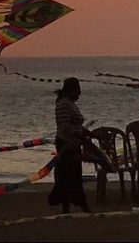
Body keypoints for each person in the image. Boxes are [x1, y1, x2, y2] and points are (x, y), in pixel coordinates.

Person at [47, 77, 93, 214]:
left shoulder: (70, 104)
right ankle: (76, 206)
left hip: (74, 143)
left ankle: (71, 206)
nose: (79, 93)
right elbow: (65, 127)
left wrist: (90, 135)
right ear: (70, 91)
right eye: (77, 90)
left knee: (72, 175)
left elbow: (77, 125)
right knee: (68, 175)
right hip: (66, 144)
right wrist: (82, 137)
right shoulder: (63, 105)